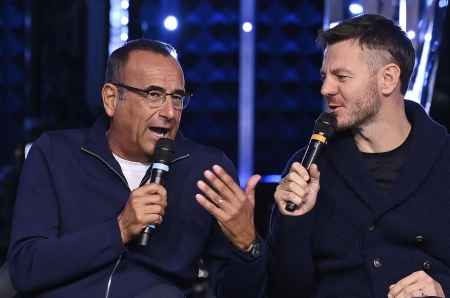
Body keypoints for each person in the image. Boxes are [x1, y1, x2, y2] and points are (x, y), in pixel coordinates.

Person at [266, 14, 450, 298]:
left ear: (387, 78)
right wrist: (294, 221)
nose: (326, 88)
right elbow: (284, 289)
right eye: (325, 77)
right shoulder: (308, 166)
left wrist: (444, 290)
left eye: (341, 76)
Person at [8, 39, 266, 297]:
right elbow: (24, 269)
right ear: (111, 99)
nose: (169, 112)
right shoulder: (56, 153)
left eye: (177, 97)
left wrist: (247, 246)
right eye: (153, 94)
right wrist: (118, 230)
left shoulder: (209, 171)